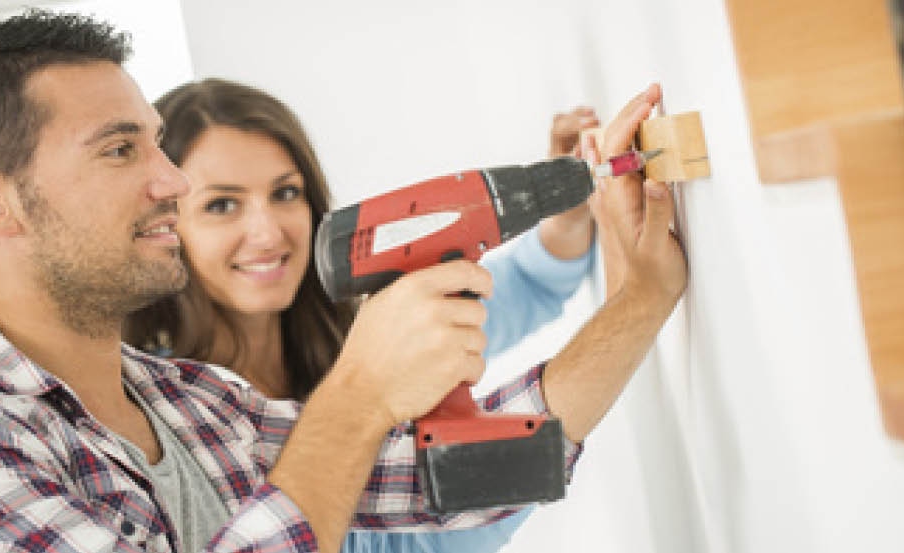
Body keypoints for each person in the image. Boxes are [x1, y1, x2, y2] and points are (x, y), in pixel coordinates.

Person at [0, 10, 685, 553]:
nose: (171, 181)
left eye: (156, 143)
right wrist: (359, 392)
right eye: (119, 150)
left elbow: (469, 478)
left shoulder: (192, 401)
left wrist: (642, 296)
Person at [123, 79, 600, 552]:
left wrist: (561, 204)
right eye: (222, 205)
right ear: (166, 225)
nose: (267, 234)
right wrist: (638, 297)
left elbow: (531, 283)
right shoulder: (168, 424)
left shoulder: (359, 332)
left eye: (285, 193)